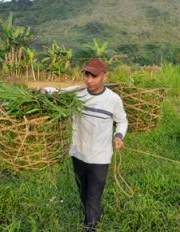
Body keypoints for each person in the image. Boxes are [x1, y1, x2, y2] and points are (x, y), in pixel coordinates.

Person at [41, 58, 128, 231]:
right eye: (86, 75)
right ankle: (89, 213)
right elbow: (58, 92)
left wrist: (118, 135)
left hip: (100, 157)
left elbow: (122, 121)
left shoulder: (113, 99)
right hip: (78, 152)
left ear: (104, 76)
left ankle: (91, 226)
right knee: (83, 190)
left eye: (94, 76)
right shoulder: (78, 92)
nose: (89, 80)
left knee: (94, 194)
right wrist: (46, 90)